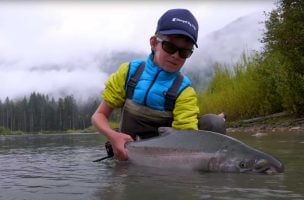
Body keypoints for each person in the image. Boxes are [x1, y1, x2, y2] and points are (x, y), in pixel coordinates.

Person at [91, 8, 225, 161]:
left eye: (184, 52)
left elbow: (187, 140)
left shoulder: (185, 91)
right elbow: (99, 116)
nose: (175, 56)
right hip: (126, 155)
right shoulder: (128, 72)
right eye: (170, 47)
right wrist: (113, 136)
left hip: (164, 159)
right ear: (154, 43)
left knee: (214, 123)